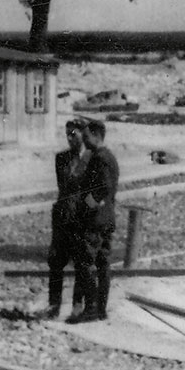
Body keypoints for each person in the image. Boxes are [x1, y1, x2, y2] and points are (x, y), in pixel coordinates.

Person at [68, 119, 121, 323]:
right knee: (102, 265)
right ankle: (100, 309)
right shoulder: (105, 157)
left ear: (97, 136)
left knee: (86, 263)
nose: (84, 139)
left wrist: (85, 206)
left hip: (95, 221)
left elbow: (103, 189)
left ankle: (91, 308)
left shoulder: (101, 158)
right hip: (105, 218)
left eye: (87, 136)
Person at [44, 119, 89, 320]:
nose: (70, 138)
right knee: (56, 261)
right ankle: (54, 304)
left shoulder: (92, 158)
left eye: (74, 134)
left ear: (83, 134)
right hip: (63, 215)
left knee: (81, 262)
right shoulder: (61, 158)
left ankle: (77, 305)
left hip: (81, 216)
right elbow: (66, 183)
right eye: (68, 134)